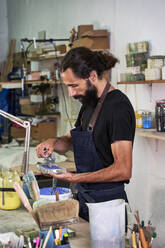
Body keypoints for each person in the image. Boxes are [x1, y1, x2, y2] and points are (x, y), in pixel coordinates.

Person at [36, 46, 136, 223]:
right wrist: (52, 142)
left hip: (108, 206)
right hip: (85, 200)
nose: (71, 93)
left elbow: (123, 170)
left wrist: (75, 177)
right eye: (68, 86)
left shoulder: (118, 107)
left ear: (92, 76)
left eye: (74, 85)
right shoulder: (90, 102)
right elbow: (71, 140)